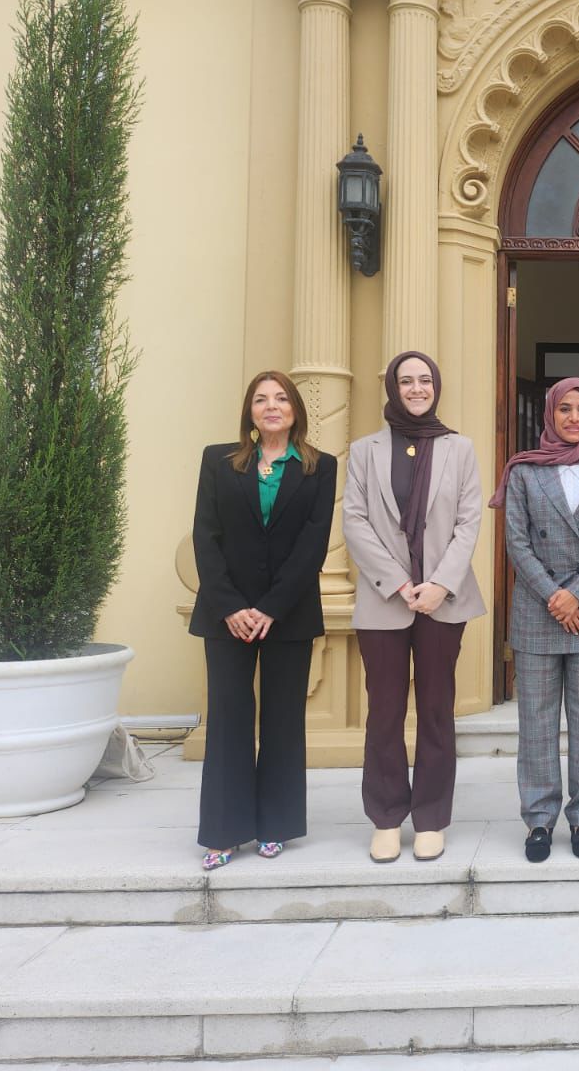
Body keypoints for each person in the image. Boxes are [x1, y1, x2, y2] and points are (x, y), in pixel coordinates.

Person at [190, 371, 337, 871]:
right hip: (225, 615)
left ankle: (276, 824)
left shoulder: (320, 467)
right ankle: (224, 831)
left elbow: (313, 544)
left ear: (295, 410)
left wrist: (271, 606)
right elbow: (205, 536)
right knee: (228, 720)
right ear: (249, 412)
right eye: (261, 399)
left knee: (282, 719)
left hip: (288, 614)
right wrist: (231, 606)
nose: (271, 406)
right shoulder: (218, 460)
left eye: (281, 398)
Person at [344, 351, 485, 864]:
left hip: (443, 602)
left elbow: (469, 521)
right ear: (393, 388)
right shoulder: (364, 450)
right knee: (383, 712)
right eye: (406, 381)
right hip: (385, 599)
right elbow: (354, 521)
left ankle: (430, 818)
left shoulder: (460, 449)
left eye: (425, 380)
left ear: (436, 386)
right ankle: (385, 817)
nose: (417, 388)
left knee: (436, 710)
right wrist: (400, 583)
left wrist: (440, 584)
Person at [490, 377, 579, 862]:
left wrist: (576, 595)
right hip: (537, 612)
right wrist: (556, 596)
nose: (574, 417)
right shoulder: (524, 471)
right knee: (536, 723)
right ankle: (539, 819)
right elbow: (516, 542)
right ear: (550, 413)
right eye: (565, 408)